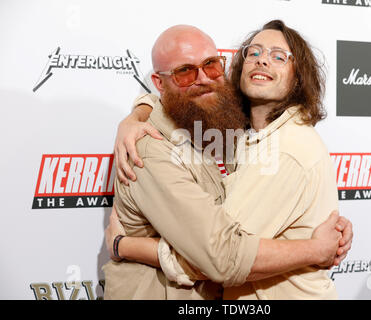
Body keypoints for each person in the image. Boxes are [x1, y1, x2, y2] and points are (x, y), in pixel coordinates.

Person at [103, 22, 353, 300]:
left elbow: (221, 255)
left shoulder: (281, 147)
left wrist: (122, 245)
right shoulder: (175, 141)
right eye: (185, 71)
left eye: (211, 65)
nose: (203, 78)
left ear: (299, 77)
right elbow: (221, 255)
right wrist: (137, 113)